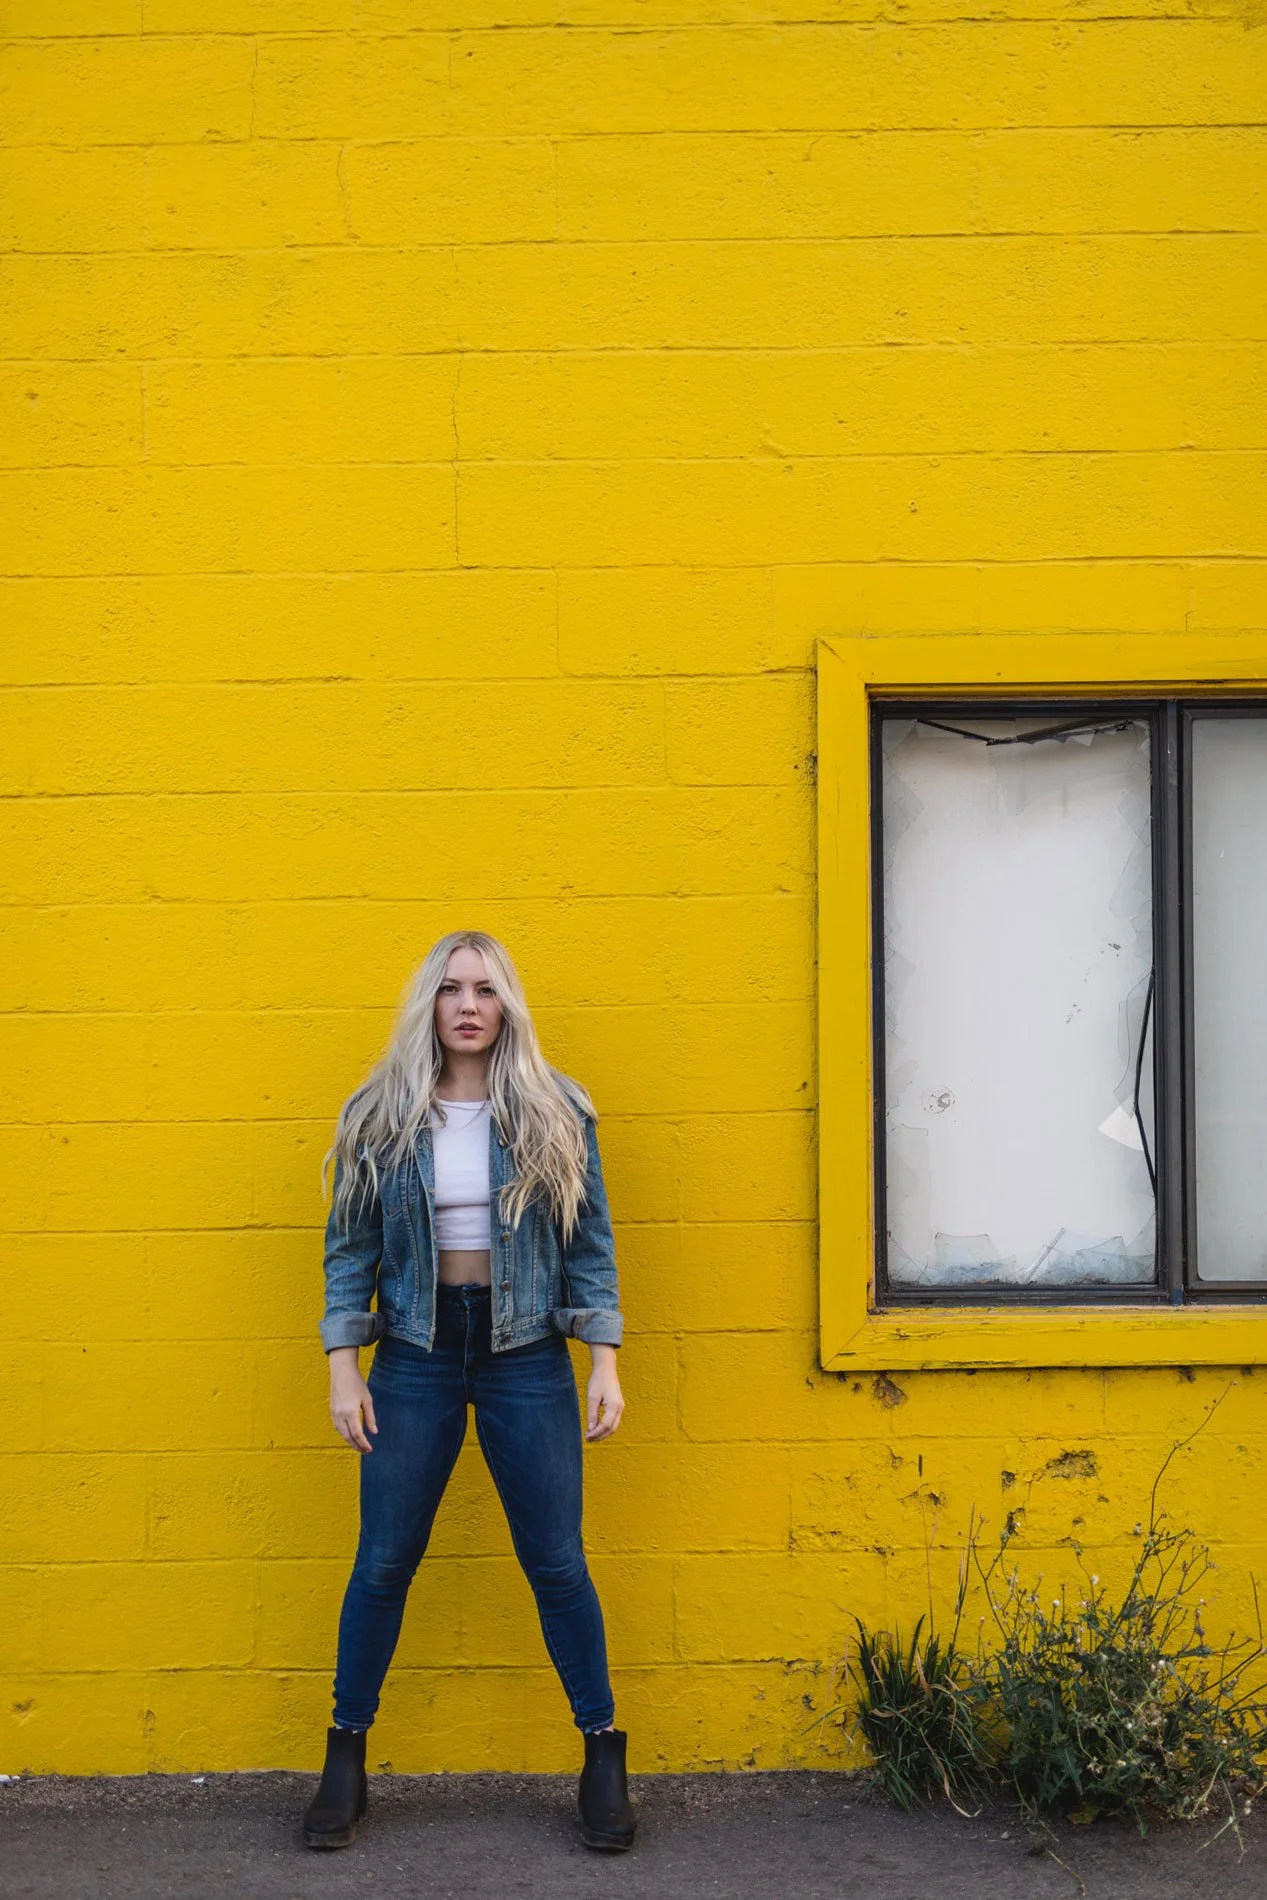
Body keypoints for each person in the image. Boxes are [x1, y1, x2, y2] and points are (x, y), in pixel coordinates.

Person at [301, 930, 634, 1853]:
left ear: (507, 1005)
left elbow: (589, 1245)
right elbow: (348, 1252)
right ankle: (345, 1753)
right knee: (383, 1562)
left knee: (556, 1562)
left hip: (526, 1352)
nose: (468, 1006)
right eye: (450, 990)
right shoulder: (380, 1114)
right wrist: (344, 1365)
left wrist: (602, 1358)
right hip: (414, 1350)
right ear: (429, 1005)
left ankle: (602, 1753)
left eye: (485, 990)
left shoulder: (556, 1111)